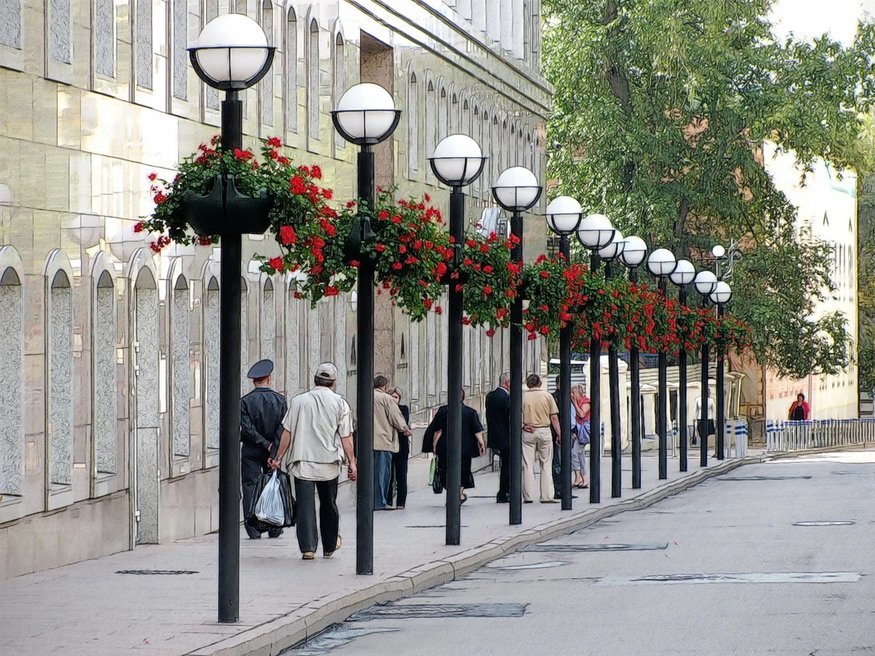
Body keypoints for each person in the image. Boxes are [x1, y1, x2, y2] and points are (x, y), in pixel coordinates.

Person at [271, 362, 357, 560]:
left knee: (305, 506)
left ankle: (308, 548)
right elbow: (346, 437)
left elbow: (287, 433)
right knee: (329, 503)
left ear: (315, 380)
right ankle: (329, 545)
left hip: (303, 463)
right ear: (333, 383)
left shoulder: (299, 401)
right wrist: (352, 462)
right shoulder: (340, 403)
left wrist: (278, 458)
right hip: (329, 463)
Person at [240, 359, 287, 539]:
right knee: (273, 484)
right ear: (269, 379)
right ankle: (274, 526)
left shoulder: (245, 402)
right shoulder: (280, 401)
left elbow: (247, 428)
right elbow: (283, 429)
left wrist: (262, 443)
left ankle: (253, 529)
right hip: (274, 451)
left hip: (251, 450)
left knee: (250, 486)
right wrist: (273, 448)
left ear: (254, 381)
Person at [431, 388, 486, 504]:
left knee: (445, 469)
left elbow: (437, 431)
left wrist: (435, 445)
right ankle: (459, 494)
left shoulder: (443, 411)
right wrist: (482, 444)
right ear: (463, 397)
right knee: (464, 470)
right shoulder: (470, 412)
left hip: (445, 447)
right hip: (464, 448)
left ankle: (451, 494)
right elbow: (477, 431)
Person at [521, 373, 562, 503]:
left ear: (528, 384)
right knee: (546, 464)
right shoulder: (547, 396)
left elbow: (515, 415)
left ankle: (528, 496)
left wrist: (523, 425)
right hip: (544, 430)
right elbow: (554, 417)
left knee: (527, 464)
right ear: (540, 383)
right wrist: (559, 433)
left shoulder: (523, 397)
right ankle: (546, 496)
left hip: (528, 431)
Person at [373, 375, 411, 511]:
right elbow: (396, 417)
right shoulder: (386, 398)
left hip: (367, 443)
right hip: (383, 441)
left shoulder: (365, 395)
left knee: (372, 473)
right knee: (382, 473)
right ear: (385, 387)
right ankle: (380, 501)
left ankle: (371, 500)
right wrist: (405, 429)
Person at [485, 372, 512, 503]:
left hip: (494, 435)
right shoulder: (506, 398)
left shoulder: (490, 396)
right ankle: (505, 492)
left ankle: (503, 491)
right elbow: (510, 417)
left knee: (505, 465)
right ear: (507, 383)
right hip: (506, 436)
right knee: (508, 465)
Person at [387, 388, 411, 509]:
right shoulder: (385, 409)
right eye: (391, 397)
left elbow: (403, 422)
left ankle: (401, 502)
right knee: (389, 476)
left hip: (402, 447)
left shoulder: (404, 409)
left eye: (396, 397)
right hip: (389, 446)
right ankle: (389, 501)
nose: (393, 399)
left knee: (402, 475)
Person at [570, 384, 590, 489]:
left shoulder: (585, 401)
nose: (572, 395)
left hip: (583, 432)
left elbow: (582, 414)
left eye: (574, 393)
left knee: (574, 453)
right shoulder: (575, 402)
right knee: (580, 454)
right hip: (578, 432)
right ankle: (584, 478)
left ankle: (578, 477)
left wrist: (575, 403)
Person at [550, 375, 563, 499]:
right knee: (557, 462)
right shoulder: (555, 397)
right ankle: (559, 490)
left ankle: (562, 489)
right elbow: (554, 418)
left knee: (561, 462)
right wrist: (559, 433)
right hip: (557, 434)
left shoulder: (558, 397)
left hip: (559, 433)